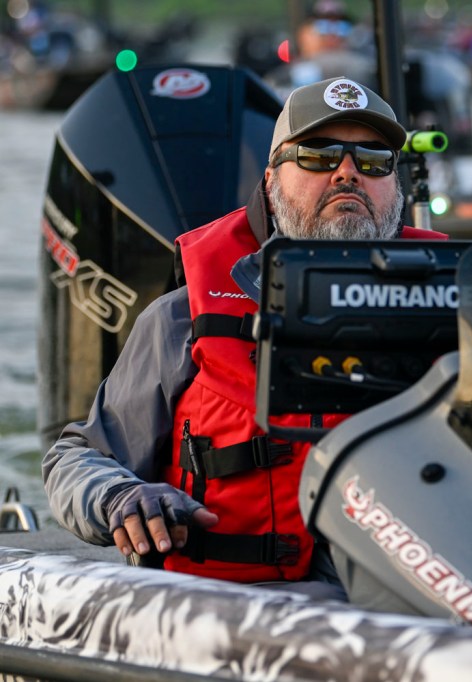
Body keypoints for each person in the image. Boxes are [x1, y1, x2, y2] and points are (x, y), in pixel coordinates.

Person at [42, 77, 447, 598]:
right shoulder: (183, 318)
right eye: (319, 155)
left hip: (416, 610)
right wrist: (118, 496)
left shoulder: (461, 311)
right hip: (242, 612)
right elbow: (75, 458)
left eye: (374, 160)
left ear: (397, 184)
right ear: (271, 180)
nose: (348, 172)